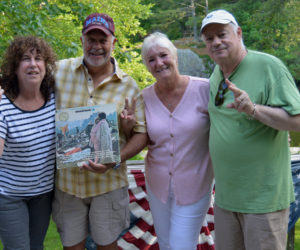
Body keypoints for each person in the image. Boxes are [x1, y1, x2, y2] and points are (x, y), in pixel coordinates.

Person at [200, 9, 300, 250]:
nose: (216, 42)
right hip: (226, 200)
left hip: (263, 202)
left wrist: (254, 109)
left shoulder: (268, 66)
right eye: (210, 38)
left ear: (238, 33)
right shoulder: (216, 73)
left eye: (222, 34)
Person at [52, 13, 147, 250]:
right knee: (71, 246)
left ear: (113, 43)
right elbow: (26, 88)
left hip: (108, 184)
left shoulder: (129, 85)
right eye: (90, 39)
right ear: (81, 40)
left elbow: (142, 134)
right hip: (68, 186)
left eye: (102, 40)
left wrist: (115, 159)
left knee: (108, 246)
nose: (96, 47)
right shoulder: (58, 72)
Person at [129, 32, 214, 250]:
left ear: (175, 56)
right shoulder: (143, 98)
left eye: (163, 55)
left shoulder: (205, 89)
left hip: (196, 185)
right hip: (158, 186)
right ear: (147, 66)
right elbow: (142, 137)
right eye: (151, 59)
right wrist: (127, 125)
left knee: (180, 246)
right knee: (166, 245)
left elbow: (227, 127)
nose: (159, 63)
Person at [0, 36, 56, 249]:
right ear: (15, 67)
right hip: (9, 195)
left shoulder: (54, 98)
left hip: (42, 193)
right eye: (26, 59)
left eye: (38, 58)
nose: (33, 64)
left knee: (36, 247)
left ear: (45, 65)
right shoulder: (3, 104)